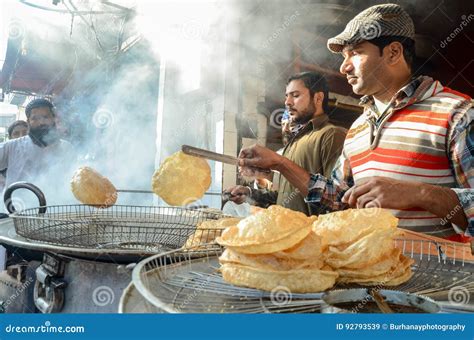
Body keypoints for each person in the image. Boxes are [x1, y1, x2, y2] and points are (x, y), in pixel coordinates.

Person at [237, 3, 473, 240]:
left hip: (441, 277)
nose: (344, 66)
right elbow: (340, 201)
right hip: (370, 273)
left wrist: (421, 193)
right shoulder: (358, 129)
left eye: (356, 52)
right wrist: (279, 163)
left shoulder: (457, 113)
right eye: (343, 56)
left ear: (393, 52)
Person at [225, 72, 347, 215]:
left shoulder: (331, 135)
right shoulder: (294, 143)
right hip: (290, 235)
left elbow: (337, 201)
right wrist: (250, 193)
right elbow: (289, 200)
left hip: (313, 236)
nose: (287, 102)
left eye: (295, 95)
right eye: (286, 96)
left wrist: (280, 163)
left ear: (318, 98)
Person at [0, 98, 76, 208]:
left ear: (53, 119)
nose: (41, 123)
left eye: (46, 117)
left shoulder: (67, 149)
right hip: (15, 213)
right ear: (28, 122)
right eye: (35, 118)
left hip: (54, 211)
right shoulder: (12, 146)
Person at [0, 120, 30, 197]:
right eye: (16, 134)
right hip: (12, 198)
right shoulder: (7, 151)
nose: (21, 136)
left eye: (25, 133)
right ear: (10, 138)